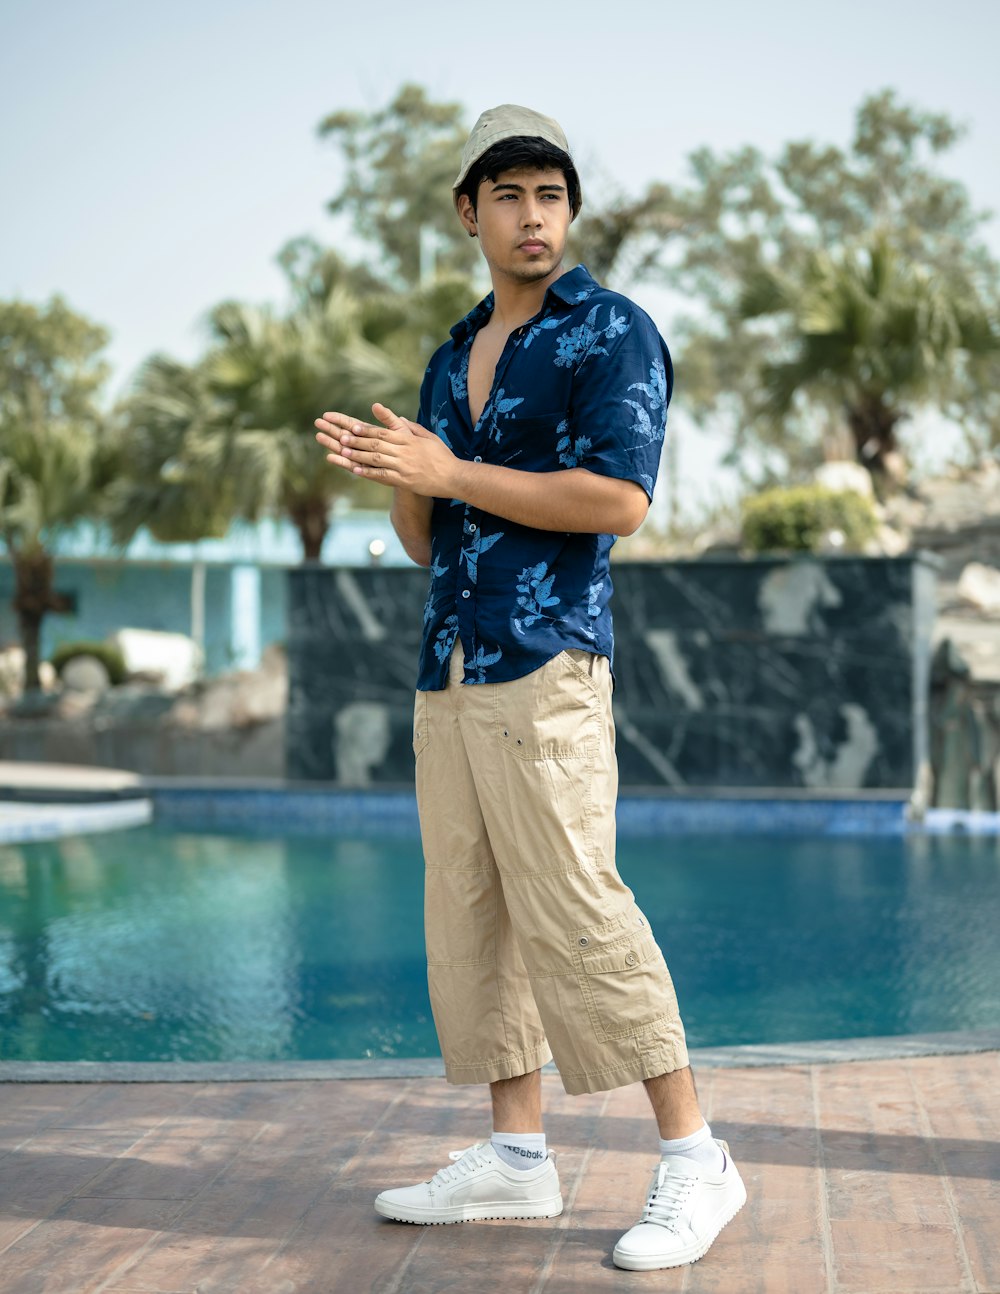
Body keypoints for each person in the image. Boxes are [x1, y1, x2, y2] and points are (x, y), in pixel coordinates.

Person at [314, 103, 745, 1272]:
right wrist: (399, 470)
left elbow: (618, 501)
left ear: (569, 211)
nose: (531, 214)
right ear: (469, 214)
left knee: (577, 904)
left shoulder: (610, 332)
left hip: (545, 662)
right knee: (473, 912)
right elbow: (425, 537)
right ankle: (514, 1157)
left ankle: (695, 1158)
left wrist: (450, 466)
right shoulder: (452, 353)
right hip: (448, 668)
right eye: (506, 195)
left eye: (549, 194)